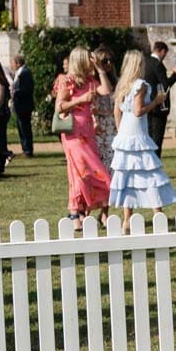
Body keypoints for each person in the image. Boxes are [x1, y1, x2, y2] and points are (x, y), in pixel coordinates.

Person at [108, 51, 176, 220]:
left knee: (127, 173)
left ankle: (127, 218)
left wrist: (120, 130)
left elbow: (117, 110)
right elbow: (138, 111)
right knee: (149, 171)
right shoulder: (140, 85)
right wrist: (156, 102)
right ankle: (157, 213)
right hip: (137, 132)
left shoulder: (122, 84)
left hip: (125, 132)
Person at [52, 47, 111, 222]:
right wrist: (80, 99)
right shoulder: (67, 81)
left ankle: (77, 213)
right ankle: (76, 212)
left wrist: (100, 70)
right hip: (74, 134)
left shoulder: (90, 80)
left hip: (88, 132)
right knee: (82, 172)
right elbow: (59, 107)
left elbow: (106, 91)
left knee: (84, 172)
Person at [141, 41, 176, 152]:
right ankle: (155, 160)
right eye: (165, 53)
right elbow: (165, 86)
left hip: (146, 104)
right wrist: (175, 75)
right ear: (162, 51)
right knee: (157, 138)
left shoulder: (145, 62)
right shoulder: (158, 64)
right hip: (159, 106)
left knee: (148, 136)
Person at [88, 48, 118, 172]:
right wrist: (100, 70)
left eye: (111, 60)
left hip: (112, 124)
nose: (109, 63)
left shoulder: (115, 80)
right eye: (105, 61)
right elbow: (106, 90)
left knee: (113, 161)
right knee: (100, 162)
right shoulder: (92, 81)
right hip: (98, 125)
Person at [10, 53, 35, 157]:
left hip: (24, 105)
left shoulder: (25, 73)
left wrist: (15, 92)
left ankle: (28, 150)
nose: (11, 65)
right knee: (22, 128)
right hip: (20, 105)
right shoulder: (20, 73)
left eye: (12, 63)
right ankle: (25, 149)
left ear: (18, 63)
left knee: (25, 128)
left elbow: (27, 89)